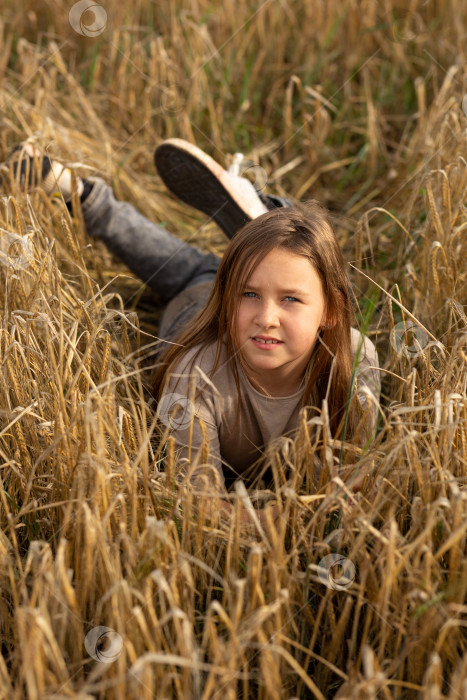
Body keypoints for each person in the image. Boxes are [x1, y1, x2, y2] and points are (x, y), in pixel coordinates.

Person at [3, 138, 381, 524]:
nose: (267, 317)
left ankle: (264, 227)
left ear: (332, 312)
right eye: (251, 293)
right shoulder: (193, 377)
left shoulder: (355, 359)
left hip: (229, 293)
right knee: (187, 275)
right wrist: (295, 518)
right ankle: (263, 227)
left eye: (290, 300)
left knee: (186, 264)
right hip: (197, 308)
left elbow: (354, 476)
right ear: (229, 291)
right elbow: (200, 510)